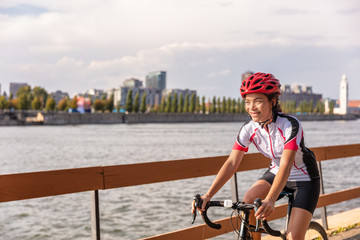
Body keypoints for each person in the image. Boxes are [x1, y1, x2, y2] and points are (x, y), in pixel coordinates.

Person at [194, 72, 320, 240]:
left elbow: (286, 165)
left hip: (304, 179)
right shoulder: (248, 129)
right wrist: (208, 195)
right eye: (247, 102)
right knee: (249, 199)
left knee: (293, 238)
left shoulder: (290, 124)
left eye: (258, 101)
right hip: (275, 173)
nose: (251, 107)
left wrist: (270, 199)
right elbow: (232, 163)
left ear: (272, 102)